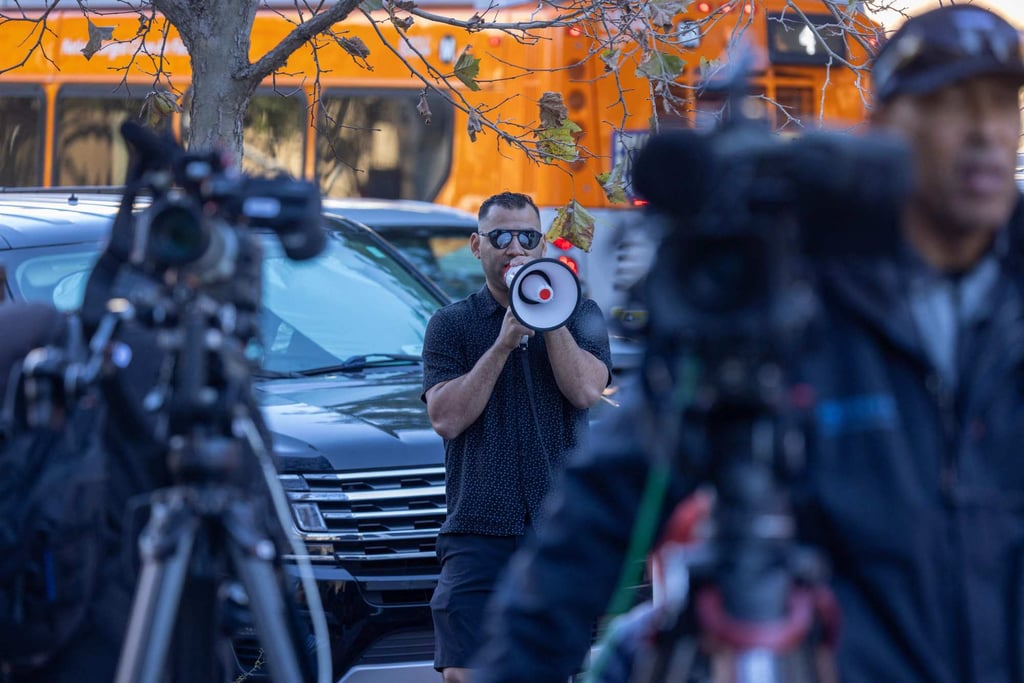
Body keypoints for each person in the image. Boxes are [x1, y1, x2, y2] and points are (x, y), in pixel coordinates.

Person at [472, 5, 1024, 683]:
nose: (984, 133)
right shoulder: (785, 310)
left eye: (1003, 104)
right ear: (881, 129)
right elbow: (593, 521)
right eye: (948, 105)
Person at [421, 191, 612, 682]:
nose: (514, 248)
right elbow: (446, 418)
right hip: (479, 527)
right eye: (500, 237)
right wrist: (502, 344)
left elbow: (587, 390)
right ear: (476, 245)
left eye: (527, 237)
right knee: (463, 671)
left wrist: (548, 317)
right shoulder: (452, 325)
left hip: (556, 527)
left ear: (542, 244)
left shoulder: (577, 311)